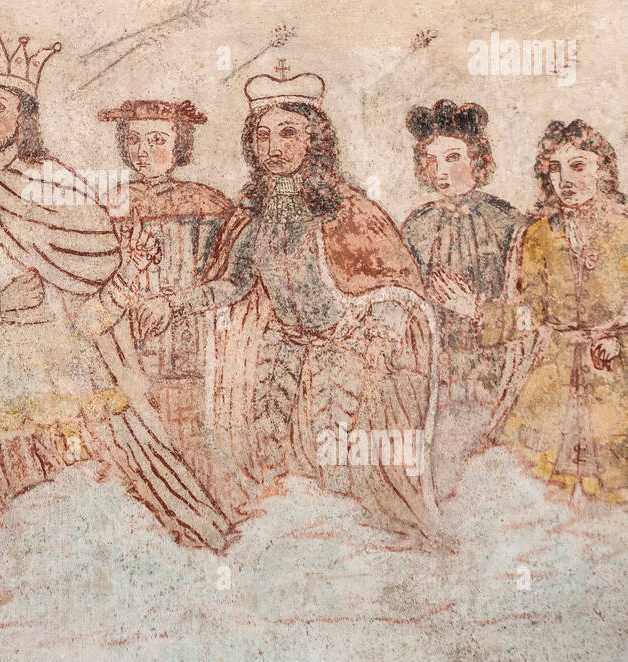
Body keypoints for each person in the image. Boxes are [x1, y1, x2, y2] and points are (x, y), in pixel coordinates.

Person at [0, 22, 232, 550]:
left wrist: (127, 278)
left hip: (79, 383)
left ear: (23, 115)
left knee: (109, 516)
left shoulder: (62, 182)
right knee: (20, 529)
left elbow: (93, 301)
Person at [139, 70, 443, 546]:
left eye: (287, 133)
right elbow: (233, 283)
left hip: (350, 352)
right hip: (283, 353)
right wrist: (175, 304)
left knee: (343, 469)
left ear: (314, 140)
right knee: (282, 471)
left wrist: (379, 330)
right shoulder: (253, 212)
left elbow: (398, 286)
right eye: (261, 135)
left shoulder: (347, 207)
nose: (272, 146)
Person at [431, 120, 628, 502]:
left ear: (603, 170)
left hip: (615, 384)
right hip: (550, 381)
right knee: (525, 494)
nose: (566, 179)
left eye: (578, 166)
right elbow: (532, 315)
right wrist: (477, 309)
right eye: (555, 168)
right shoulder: (539, 234)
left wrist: (623, 345)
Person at [96, 99, 232, 466]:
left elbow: (225, 275)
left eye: (157, 140)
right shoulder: (109, 203)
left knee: (189, 435)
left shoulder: (208, 203)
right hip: (128, 336)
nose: (143, 152)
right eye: (134, 140)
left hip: (190, 338)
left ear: (179, 146)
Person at [402, 99, 523, 498]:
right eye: (431, 160)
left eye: (453, 157)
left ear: (478, 159)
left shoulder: (509, 222)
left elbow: (533, 316)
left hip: (497, 376)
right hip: (436, 377)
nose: (441, 171)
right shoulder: (416, 226)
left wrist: (475, 311)